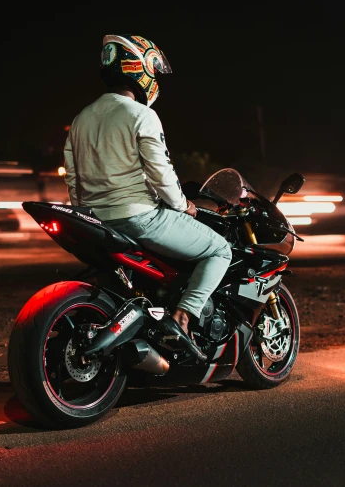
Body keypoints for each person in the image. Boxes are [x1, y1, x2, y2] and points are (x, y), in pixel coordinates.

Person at [63, 34, 232, 360]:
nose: (154, 79)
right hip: (139, 218)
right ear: (138, 69)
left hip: (96, 222)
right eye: (152, 71)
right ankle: (182, 319)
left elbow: (74, 179)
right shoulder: (141, 115)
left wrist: (88, 212)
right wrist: (185, 207)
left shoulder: (81, 118)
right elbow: (161, 174)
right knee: (219, 250)